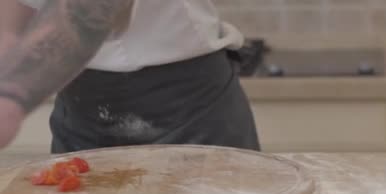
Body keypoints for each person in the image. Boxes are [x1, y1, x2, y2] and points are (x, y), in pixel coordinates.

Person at [0, 0, 261, 152]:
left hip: (187, 108)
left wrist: (11, 100)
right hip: (80, 106)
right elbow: (12, 17)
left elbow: (90, 11)